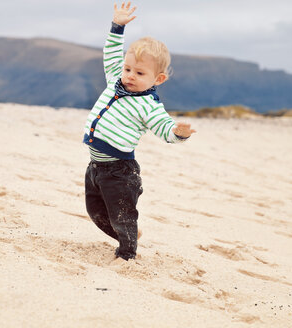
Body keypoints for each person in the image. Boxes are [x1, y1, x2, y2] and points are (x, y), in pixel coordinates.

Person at [83, 2, 196, 263]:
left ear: (158, 79)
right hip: (96, 166)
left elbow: (164, 127)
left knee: (122, 214)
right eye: (128, 69)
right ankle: (129, 234)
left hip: (120, 171)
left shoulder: (148, 105)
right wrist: (117, 26)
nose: (130, 76)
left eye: (140, 73)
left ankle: (127, 254)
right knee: (96, 212)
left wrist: (179, 131)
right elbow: (111, 53)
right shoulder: (115, 79)